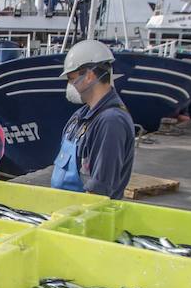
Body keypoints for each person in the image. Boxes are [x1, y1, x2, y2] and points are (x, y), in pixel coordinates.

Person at [52, 39, 136, 200]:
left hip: (88, 219)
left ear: (89, 76)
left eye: (71, 78)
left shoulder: (111, 122)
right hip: (65, 214)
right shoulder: (80, 117)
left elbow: (99, 190)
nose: (70, 84)